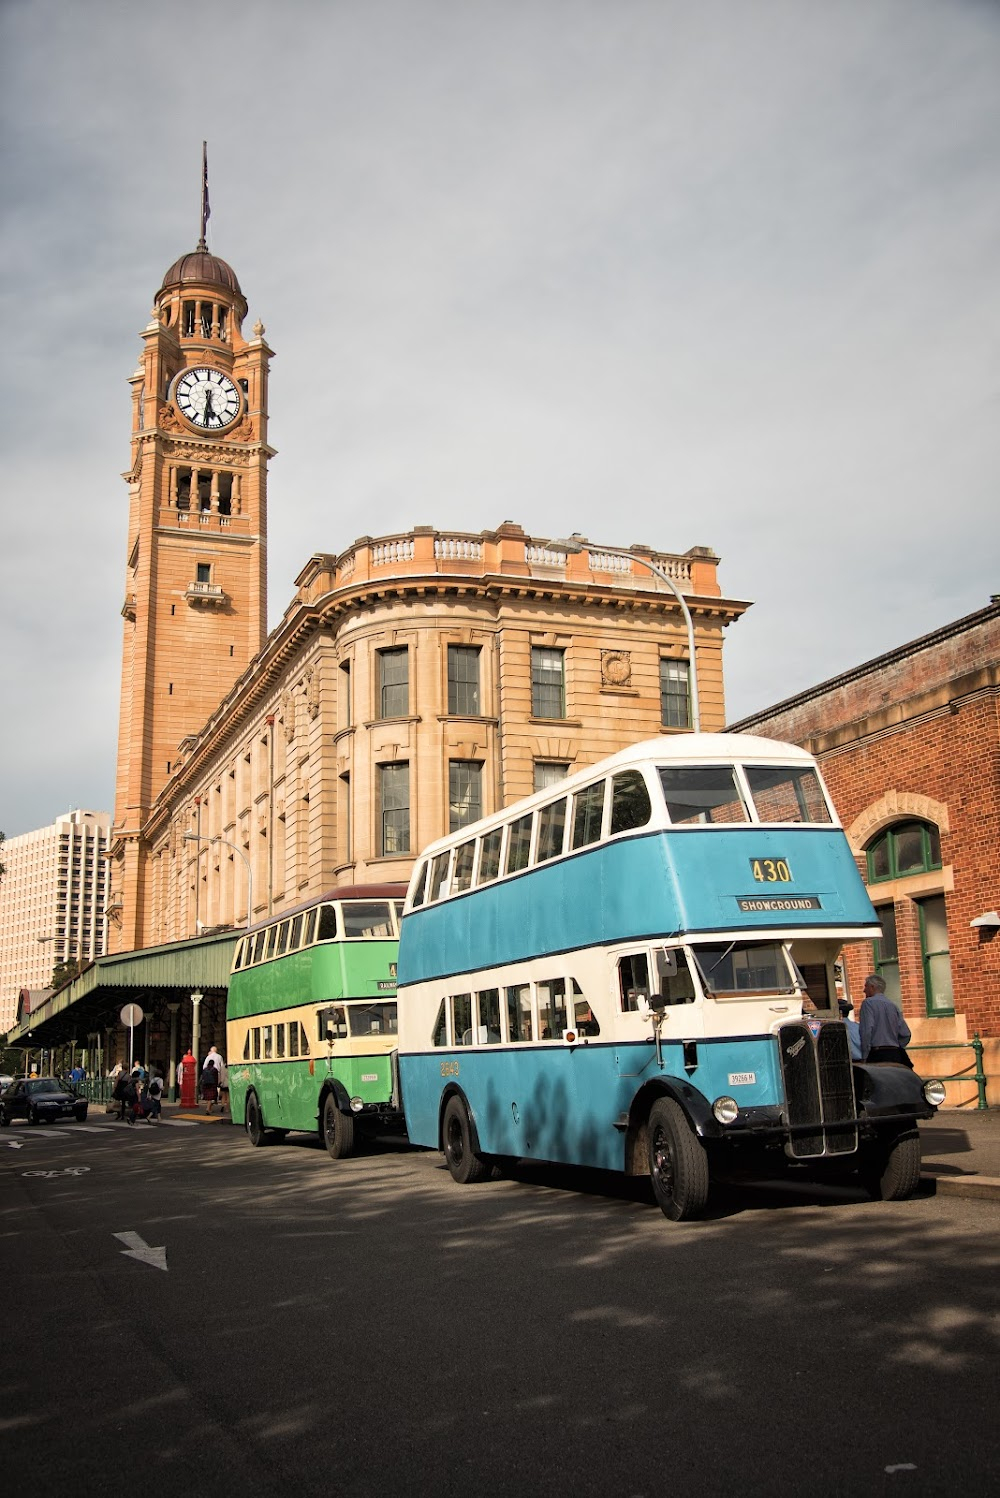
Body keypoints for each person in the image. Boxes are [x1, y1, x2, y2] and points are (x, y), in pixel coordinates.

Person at [859, 973, 912, 1065]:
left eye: (866, 986)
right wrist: (897, 1046)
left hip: (877, 1053)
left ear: (872, 987)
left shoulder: (868, 1003)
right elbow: (905, 1033)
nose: (864, 990)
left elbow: (867, 1031)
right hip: (894, 1053)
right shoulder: (892, 1005)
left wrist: (865, 1055)